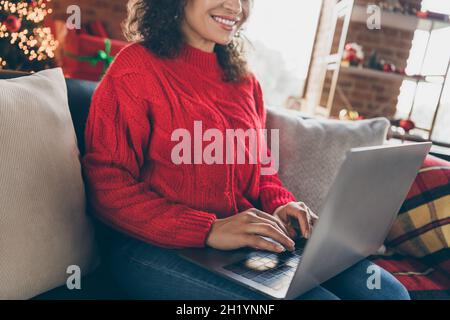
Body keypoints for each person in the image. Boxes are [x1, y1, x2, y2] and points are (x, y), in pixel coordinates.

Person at [82, 0, 410, 300]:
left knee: (389, 294)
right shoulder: (136, 67)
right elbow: (106, 184)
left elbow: (263, 172)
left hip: (239, 244)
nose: (236, 6)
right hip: (151, 247)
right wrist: (208, 229)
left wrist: (282, 206)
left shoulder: (244, 82)